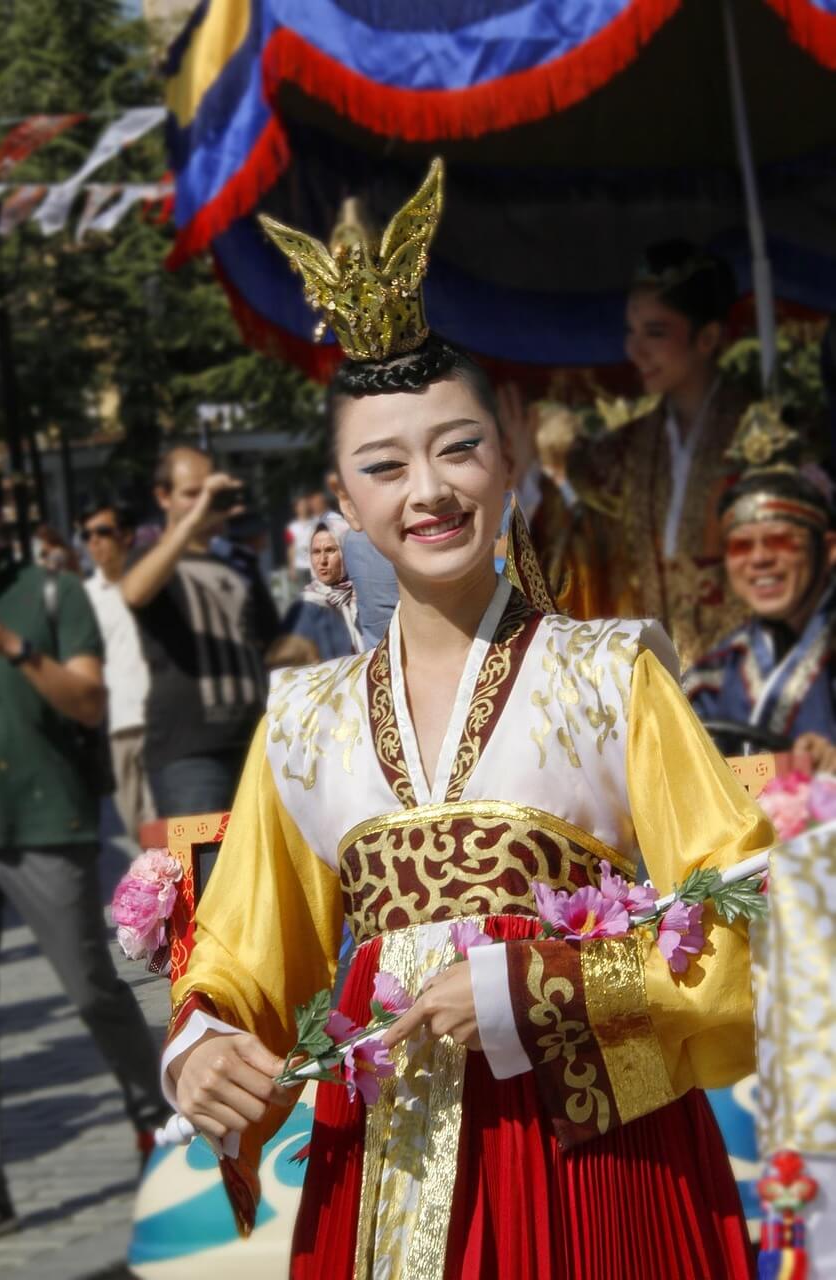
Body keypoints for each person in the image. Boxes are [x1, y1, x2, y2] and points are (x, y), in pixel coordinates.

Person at [161, 162, 770, 1278]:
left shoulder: (605, 672)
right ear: (343, 501)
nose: (427, 490)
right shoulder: (304, 719)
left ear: (508, 451)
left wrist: (530, 985)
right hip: (382, 1154)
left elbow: (735, 910)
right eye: (383, 465)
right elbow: (249, 946)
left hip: (595, 1158)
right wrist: (203, 1039)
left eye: (456, 447)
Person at [0, 462, 166, 1240]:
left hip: (46, 825)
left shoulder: (52, 596)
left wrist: (11, 645)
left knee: (90, 986)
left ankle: (154, 1104)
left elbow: (90, 703)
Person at [531, 239, 749, 669]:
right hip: (650, 678)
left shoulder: (759, 441)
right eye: (632, 331)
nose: (635, 349)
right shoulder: (626, 447)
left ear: (707, 337)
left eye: (656, 332)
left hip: (740, 679)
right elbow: (574, 532)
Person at [120, 446, 279, 818]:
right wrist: (191, 521)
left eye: (210, 492)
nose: (204, 502)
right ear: (163, 497)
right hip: (189, 753)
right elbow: (135, 591)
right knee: (202, 875)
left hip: (257, 744)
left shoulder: (237, 561)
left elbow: (272, 644)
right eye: (192, 493)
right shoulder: (150, 556)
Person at [685, 404, 836, 769]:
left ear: (829, 549)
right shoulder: (714, 675)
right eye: (741, 546)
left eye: (781, 541)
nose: (759, 559)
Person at [80, 497, 155, 844]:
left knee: (166, 827)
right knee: (135, 827)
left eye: (103, 532)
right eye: (87, 534)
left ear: (126, 536)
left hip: (159, 720)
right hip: (118, 724)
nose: (94, 541)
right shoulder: (83, 598)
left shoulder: (151, 582)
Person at [285, 523, 363, 659]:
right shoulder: (307, 606)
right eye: (316, 552)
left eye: (330, 550)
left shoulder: (363, 596)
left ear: (346, 553)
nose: (322, 560)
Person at [285, 492, 314, 587]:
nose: (304, 507)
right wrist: (291, 568)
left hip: (314, 566)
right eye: (301, 505)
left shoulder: (316, 523)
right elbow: (291, 547)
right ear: (296, 508)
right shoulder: (292, 527)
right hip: (300, 566)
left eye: (305, 505)